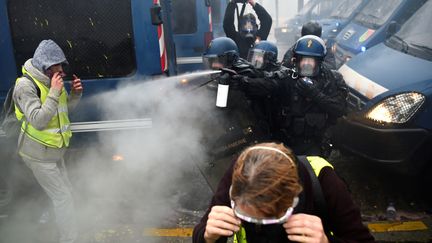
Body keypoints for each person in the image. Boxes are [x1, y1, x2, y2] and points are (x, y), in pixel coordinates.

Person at [192, 142, 375, 243]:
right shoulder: (240, 173)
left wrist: (326, 242)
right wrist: (207, 237)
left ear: (295, 196)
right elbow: (202, 234)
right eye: (247, 216)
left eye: (271, 218)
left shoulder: (323, 181)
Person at [13, 39, 83, 243]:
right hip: (38, 154)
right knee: (63, 197)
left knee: (64, 194)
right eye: (56, 66)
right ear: (44, 65)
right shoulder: (25, 86)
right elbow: (39, 121)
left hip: (54, 151)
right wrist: (54, 92)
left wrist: (75, 95)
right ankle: (69, 239)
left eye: (61, 66)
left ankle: (57, 227)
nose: (61, 70)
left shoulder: (52, 82)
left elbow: (62, 113)